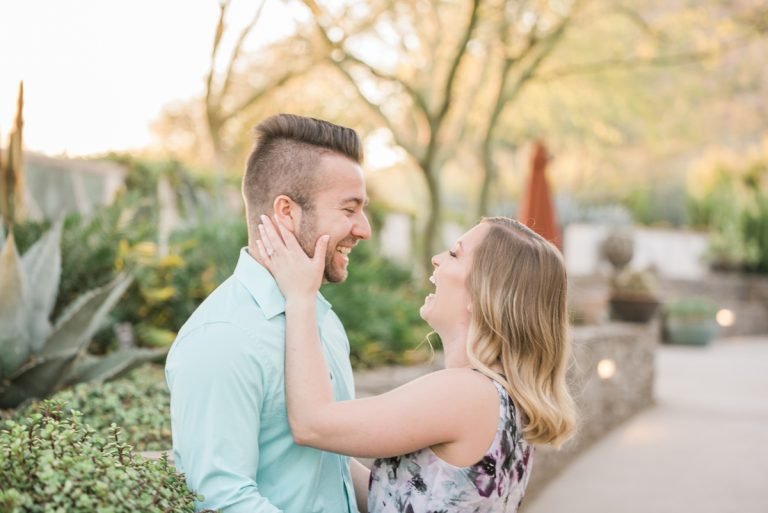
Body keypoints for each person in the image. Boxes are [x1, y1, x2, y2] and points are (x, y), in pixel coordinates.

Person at [255, 215, 577, 513]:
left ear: (482, 292)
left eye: (454, 254)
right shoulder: (503, 402)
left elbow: (312, 423)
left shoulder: (465, 393)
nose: (437, 257)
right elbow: (395, 500)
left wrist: (300, 296)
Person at [165, 113, 373, 513]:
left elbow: (334, 467)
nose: (363, 229)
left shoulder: (322, 319)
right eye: (349, 209)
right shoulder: (222, 339)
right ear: (286, 211)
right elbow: (223, 500)